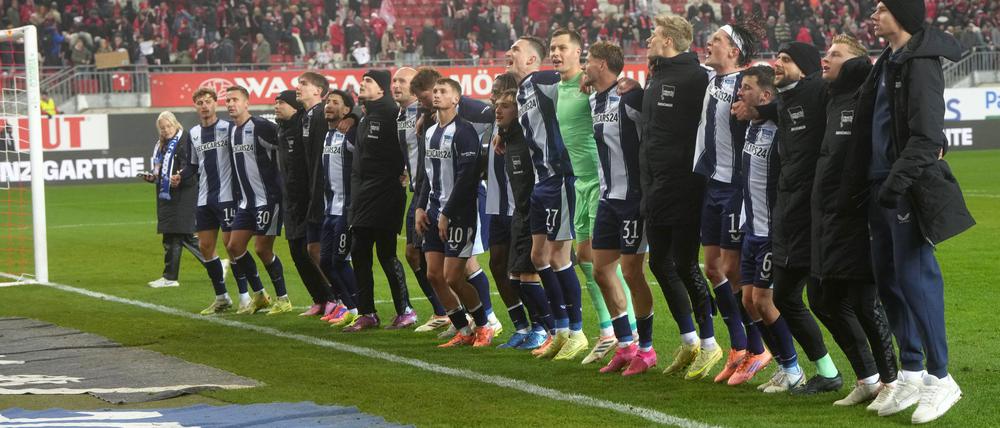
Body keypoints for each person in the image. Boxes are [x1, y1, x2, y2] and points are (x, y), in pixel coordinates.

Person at [840, 1, 974, 423]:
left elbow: (927, 135)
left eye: (882, 8)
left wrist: (896, 184)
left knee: (917, 279)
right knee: (890, 282)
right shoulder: (888, 61)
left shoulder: (920, 64)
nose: (874, 14)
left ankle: (941, 378)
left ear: (903, 16)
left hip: (903, 190)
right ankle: (912, 372)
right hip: (879, 188)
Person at [751, 41, 845, 395]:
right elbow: (772, 107)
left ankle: (873, 376)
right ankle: (832, 371)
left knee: (834, 299)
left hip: (812, 213)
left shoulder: (819, 92)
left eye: (786, 60)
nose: (778, 62)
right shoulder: (787, 100)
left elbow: (862, 103)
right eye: (779, 57)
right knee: (788, 297)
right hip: (789, 214)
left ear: (804, 68)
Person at [814, 34, 899, 409]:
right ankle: (868, 378)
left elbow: (899, 119)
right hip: (830, 215)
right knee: (823, 297)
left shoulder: (870, 90)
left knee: (865, 302)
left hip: (861, 213)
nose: (826, 58)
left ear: (857, 61)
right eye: (826, 52)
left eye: (836, 54)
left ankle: (893, 381)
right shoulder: (830, 97)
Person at [549, 28, 636, 364]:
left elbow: (617, 91)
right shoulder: (558, 87)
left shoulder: (590, 89)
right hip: (578, 182)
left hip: (601, 182)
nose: (556, 53)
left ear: (579, 53)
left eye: (563, 48)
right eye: (553, 48)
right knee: (586, 259)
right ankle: (608, 331)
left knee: (599, 261)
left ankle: (624, 330)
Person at [639, 14, 718, 378]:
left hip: (684, 186)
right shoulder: (656, 75)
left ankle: (709, 343)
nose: (650, 39)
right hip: (655, 186)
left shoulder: (697, 77)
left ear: (668, 40)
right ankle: (688, 341)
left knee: (686, 264)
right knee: (658, 263)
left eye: (654, 35)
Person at [690, 20, 767, 382]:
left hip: (736, 188)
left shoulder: (744, 85)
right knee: (713, 268)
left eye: (716, 40)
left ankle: (759, 348)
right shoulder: (710, 79)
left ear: (734, 51)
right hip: (712, 186)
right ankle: (738, 347)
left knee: (735, 271)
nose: (709, 43)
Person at [505, 36, 584, 360]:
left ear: (533, 61)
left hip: (561, 177)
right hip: (541, 182)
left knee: (557, 257)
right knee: (539, 257)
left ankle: (575, 332)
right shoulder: (522, 91)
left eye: (516, 50)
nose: (510, 53)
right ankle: (558, 329)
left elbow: (579, 85)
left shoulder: (544, 80)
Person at [409, 67, 503, 337]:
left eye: (443, 91)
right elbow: (427, 174)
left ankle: (485, 324)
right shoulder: (429, 132)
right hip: (434, 209)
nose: (437, 95)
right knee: (433, 275)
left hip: (459, 212)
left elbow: (466, 177)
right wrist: (419, 207)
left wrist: (447, 213)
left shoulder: (464, 132)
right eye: (435, 91)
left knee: (454, 276)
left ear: (456, 99)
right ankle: (463, 330)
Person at [580, 41, 653, 376]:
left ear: (604, 65)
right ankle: (625, 345)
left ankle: (647, 349)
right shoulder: (596, 99)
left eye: (589, 61)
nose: (584, 64)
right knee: (600, 270)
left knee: (632, 273)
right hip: (609, 198)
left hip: (633, 199)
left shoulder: (630, 96)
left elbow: (652, 130)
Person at [729, 65, 786, 390]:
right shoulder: (750, 128)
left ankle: (795, 368)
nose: (740, 93)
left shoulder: (779, 129)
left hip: (771, 232)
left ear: (765, 96)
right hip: (751, 229)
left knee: (763, 300)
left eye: (747, 88)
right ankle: (782, 363)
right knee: (749, 301)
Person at [345, 69, 414, 332]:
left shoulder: (390, 114)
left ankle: (405, 310)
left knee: (384, 253)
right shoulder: (367, 115)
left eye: (369, 82)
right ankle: (368, 313)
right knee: (360, 252)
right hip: (364, 194)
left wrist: (406, 172)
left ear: (382, 89)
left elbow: (408, 145)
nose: (363, 84)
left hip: (385, 192)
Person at [494, 82, 553, 351]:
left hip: (535, 212)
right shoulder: (506, 136)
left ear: (518, 111)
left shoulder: (528, 138)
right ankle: (538, 327)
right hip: (520, 213)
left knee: (529, 276)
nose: (498, 111)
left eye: (505, 106)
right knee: (515, 277)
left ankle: (549, 330)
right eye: (496, 106)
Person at [224, 85, 291, 315]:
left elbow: (285, 146)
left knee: (262, 249)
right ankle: (260, 294)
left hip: (268, 199)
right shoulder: (233, 131)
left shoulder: (262, 127)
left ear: (246, 103)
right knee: (234, 246)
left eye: (235, 100)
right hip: (246, 202)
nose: (230, 104)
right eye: (228, 100)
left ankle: (283, 297)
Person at [394, 67, 451, 332]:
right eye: (394, 81)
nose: (397, 85)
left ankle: (456, 311)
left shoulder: (432, 112)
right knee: (414, 254)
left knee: (445, 259)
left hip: (435, 192)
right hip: (419, 191)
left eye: (402, 81)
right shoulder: (406, 114)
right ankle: (444, 311)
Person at [186, 88, 245, 313]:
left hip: (228, 197)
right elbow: (193, 165)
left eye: (208, 101)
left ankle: (244, 296)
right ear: (195, 106)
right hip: (205, 198)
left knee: (232, 248)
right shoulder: (193, 133)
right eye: (199, 102)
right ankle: (221, 296)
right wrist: (180, 175)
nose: (204, 106)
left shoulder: (228, 129)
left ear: (215, 104)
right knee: (205, 246)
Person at [292, 73, 344, 318]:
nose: (298, 87)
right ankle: (334, 298)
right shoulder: (307, 117)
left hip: (326, 195)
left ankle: (341, 299)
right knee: (314, 249)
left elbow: (323, 161)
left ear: (319, 91)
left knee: (325, 251)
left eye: (304, 84)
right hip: (314, 194)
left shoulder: (321, 116)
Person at [144, 111, 203, 289]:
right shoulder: (162, 144)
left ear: (175, 124)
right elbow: (160, 171)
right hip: (168, 197)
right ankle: (171, 276)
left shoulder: (184, 141)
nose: (166, 130)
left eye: (168, 126)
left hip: (182, 196)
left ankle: (213, 262)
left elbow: (191, 169)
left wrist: (180, 178)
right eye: (162, 128)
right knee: (175, 237)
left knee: (177, 236)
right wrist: (153, 178)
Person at [320, 89, 363, 328]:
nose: (328, 105)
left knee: (339, 260)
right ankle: (349, 306)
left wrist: (355, 118)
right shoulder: (327, 136)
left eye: (335, 102)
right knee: (325, 261)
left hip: (347, 208)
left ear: (346, 110)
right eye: (327, 101)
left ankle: (360, 308)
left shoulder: (351, 134)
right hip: (330, 208)